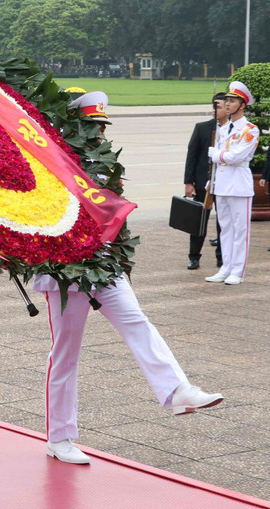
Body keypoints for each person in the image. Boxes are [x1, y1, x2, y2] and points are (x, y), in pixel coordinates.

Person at [35, 91, 224, 466]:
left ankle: (177, 390)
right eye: (92, 126)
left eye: (102, 126)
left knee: (138, 321)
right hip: (65, 272)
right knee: (65, 355)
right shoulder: (52, 161)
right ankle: (59, 437)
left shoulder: (103, 164)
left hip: (105, 266)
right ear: (74, 127)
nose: (100, 134)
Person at [206, 81, 259, 285]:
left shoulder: (250, 130)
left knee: (240, 230)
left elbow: (236, 156)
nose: (228, 103)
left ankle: (238, 270)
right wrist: (212, 180)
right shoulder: (223, 128)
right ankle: (225, 267)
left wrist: (217, 154)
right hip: (222, 184)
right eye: (227, 100)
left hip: (239, 184)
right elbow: (221, 160)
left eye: (233, 100)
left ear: (242, 105)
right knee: (225, 228)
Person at [184, 94, 225, 270]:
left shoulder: (232, 131)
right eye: (214, 106)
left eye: (220, 106)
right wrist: (189, 182)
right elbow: (191, 156)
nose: (215, 110)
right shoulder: (201, 128)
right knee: (199, 222)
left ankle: (222, 258)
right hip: (203, 183)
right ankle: (194, 256)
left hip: (224, 183)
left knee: (223, 223)